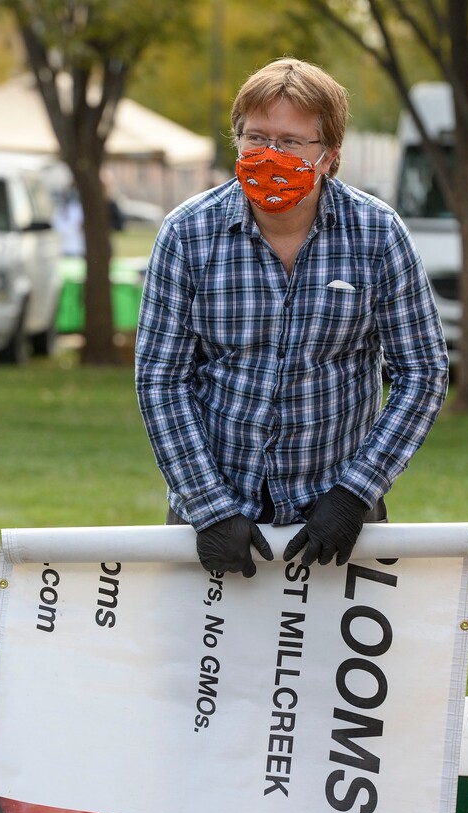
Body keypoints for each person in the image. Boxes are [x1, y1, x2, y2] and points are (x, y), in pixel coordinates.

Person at [135, 58, 448, 577]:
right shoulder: (186, 234)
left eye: (290, 141)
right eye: (255, 138)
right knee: (199, 660)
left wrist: (355, 494)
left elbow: (423, 372)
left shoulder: (378, 235)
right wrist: (209, 509)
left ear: (329, 155)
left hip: (339, 517)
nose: (269, 155)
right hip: (209, 514)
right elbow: (160, 379)